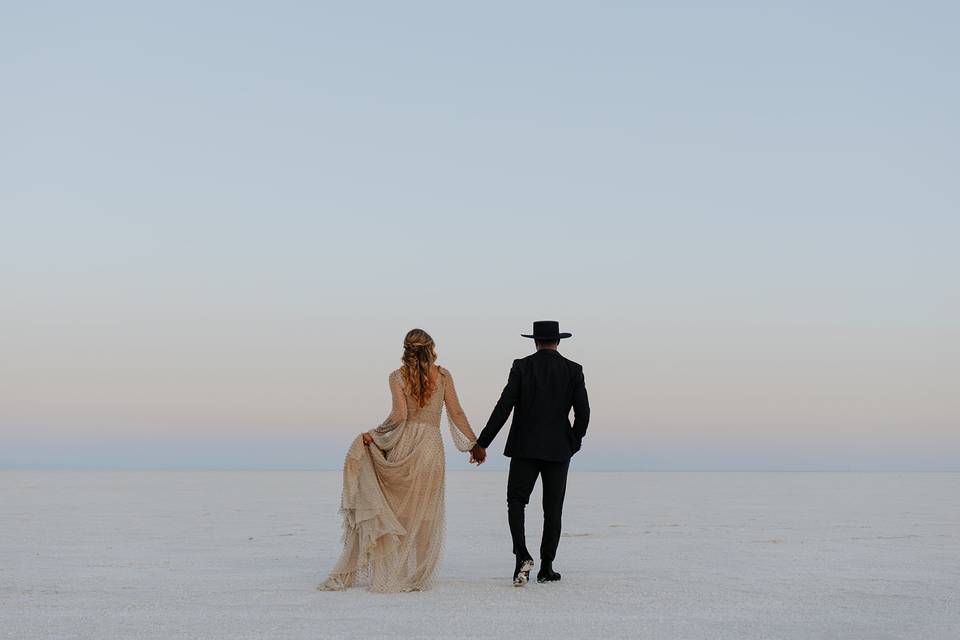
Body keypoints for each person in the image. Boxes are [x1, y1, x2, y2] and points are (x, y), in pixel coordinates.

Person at [318, 328, 480, 592]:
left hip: (405, 443)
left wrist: (375, 433)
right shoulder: (443, 376)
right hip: (430, 447)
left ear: (406, 350)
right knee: (426, 513)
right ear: (431, 347)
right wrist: (474, 444)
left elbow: (399, 416)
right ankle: (416, 575)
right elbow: (457, 412)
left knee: (398, 509)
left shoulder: (397, 377)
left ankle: (396, 569)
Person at [471, 320, 590, 586]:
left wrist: (483, 442)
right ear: (558, 341)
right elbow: (583, 414)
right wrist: (573, 442)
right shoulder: (573, 370)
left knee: (516, 501)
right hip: (559, 450)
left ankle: (521, 557)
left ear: (535, 341)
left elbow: (504, 407)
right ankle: (546, 567)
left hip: (524, 447)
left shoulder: (522, 367)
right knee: (553, 509)